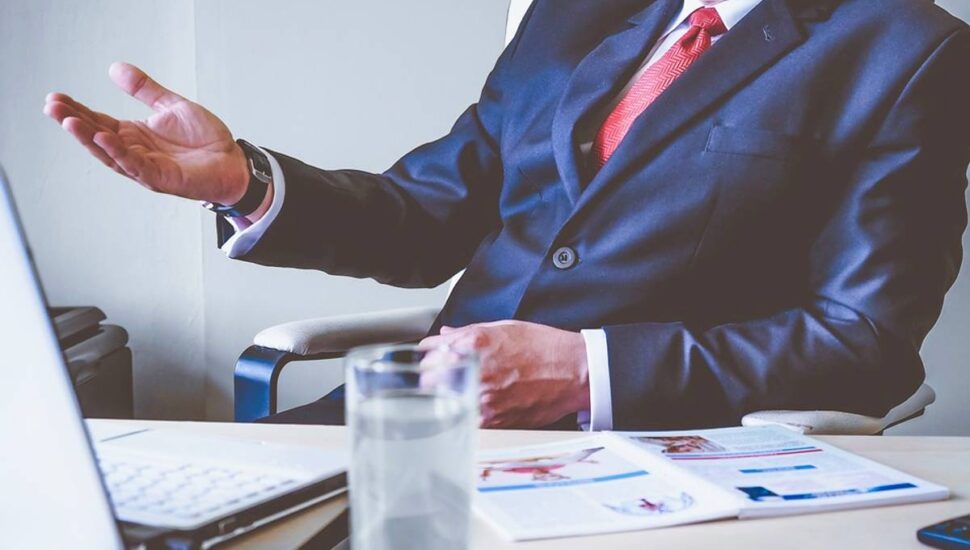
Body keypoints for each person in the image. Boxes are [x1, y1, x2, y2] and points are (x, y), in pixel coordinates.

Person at [43, 0, 970, 430]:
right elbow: (426, 214)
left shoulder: (908, 49)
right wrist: (244, 181)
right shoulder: (574, 13)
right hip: (422, 417)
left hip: (653, 452)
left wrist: (583, 373)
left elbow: (865, 340)